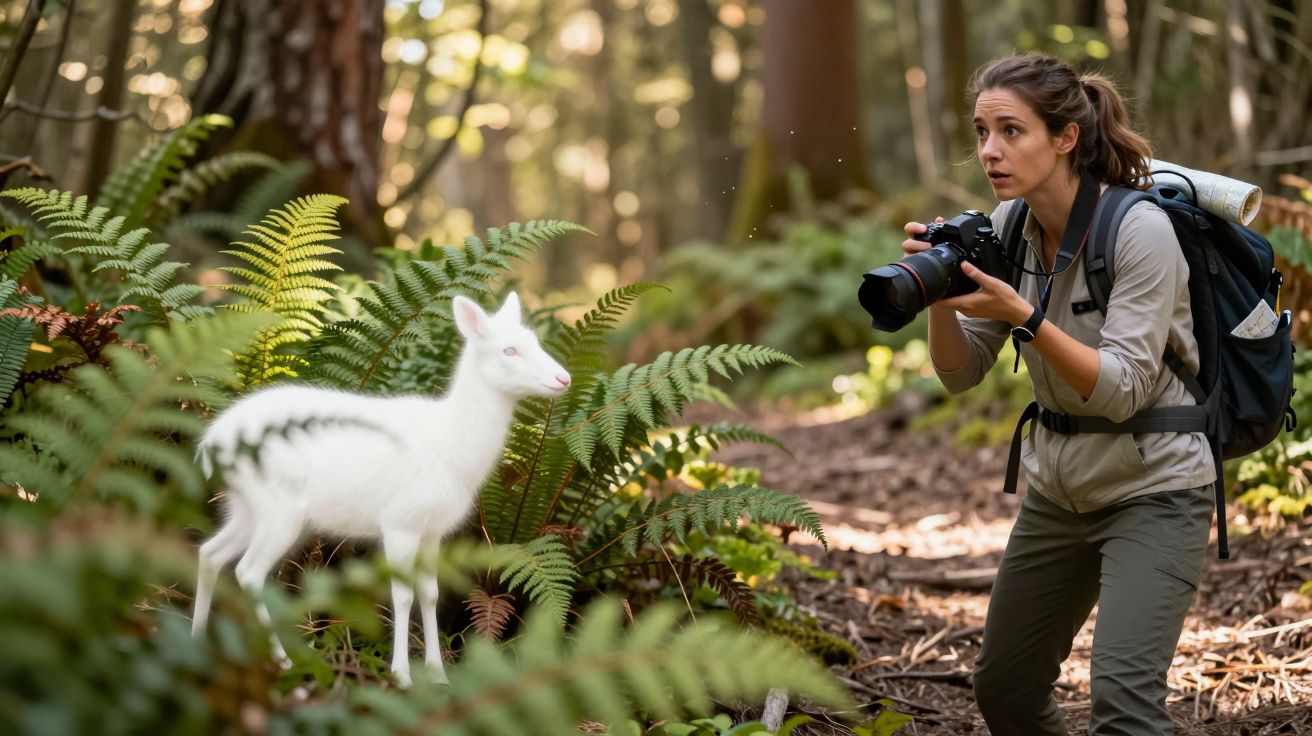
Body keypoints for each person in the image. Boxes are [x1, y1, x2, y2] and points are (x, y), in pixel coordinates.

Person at [902, 53, 1216, 735]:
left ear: (1065, 138)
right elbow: (961, 373)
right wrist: (938, 294)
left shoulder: (1138, 231)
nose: (990, 150)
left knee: (1125, 706)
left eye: (1011, 131)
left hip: (1155, 489)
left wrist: (1026, 318)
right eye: (982, 131)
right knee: (1006, 690)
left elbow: (1124, 390)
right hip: (1059, 492)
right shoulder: (1009, 227)